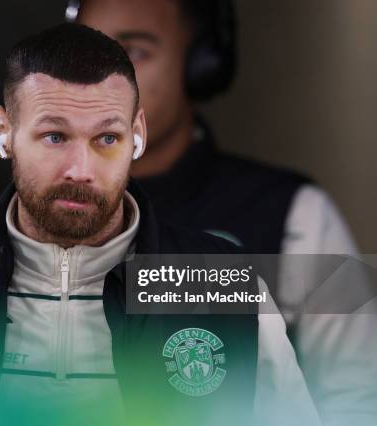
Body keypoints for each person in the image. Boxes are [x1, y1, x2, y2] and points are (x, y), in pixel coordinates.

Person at [0, 24, 321, 426]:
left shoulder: (218, 280)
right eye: (55, 136)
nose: (81, 169)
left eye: (106, 139)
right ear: (3, 133)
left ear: (136, 136)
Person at [75, 1, 376, 424]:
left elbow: (358, 403)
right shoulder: (31, 214)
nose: (100, 80)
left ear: (201, 65)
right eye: (86, 55)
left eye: (135, 53)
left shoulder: (294, 214)